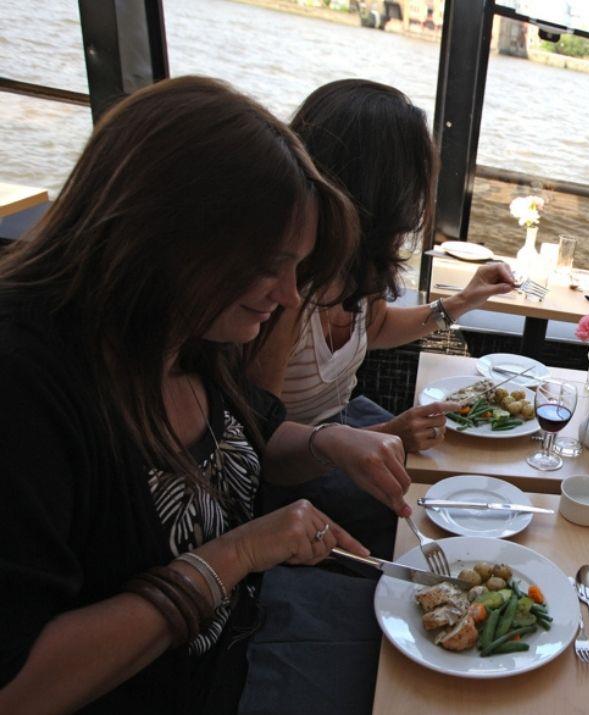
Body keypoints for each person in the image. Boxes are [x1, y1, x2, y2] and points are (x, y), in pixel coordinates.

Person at [0, 77, 414, 714]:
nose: (284, 297)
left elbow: (248, 442)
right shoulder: (29, 383)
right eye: (269, 265)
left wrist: (329, 442)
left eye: (296, 270)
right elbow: (19, 688)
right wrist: (240, 552)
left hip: (244, 635)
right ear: (165, 231)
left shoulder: (189, 333)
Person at [249, 79, 516, 450]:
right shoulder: (283, 295)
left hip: (345, 428)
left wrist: (462, 302)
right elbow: (258, 440)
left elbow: (376, 327)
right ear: (382, 193)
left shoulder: (356, 267)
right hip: (299, 464)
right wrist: (386, 436)